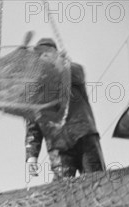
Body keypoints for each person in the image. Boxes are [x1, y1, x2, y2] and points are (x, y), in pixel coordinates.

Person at [26, 38, 105, 180]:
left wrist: (60, 65)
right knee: (62, 190)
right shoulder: (35, 88)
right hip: (57, 145)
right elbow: (33, 125)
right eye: (40, 54)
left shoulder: (72, 71)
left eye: (47, 53)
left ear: (56, 54)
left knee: (96, 182)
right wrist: (31, 155)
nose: (43, 56)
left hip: (83, 137)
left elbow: (77, 73)